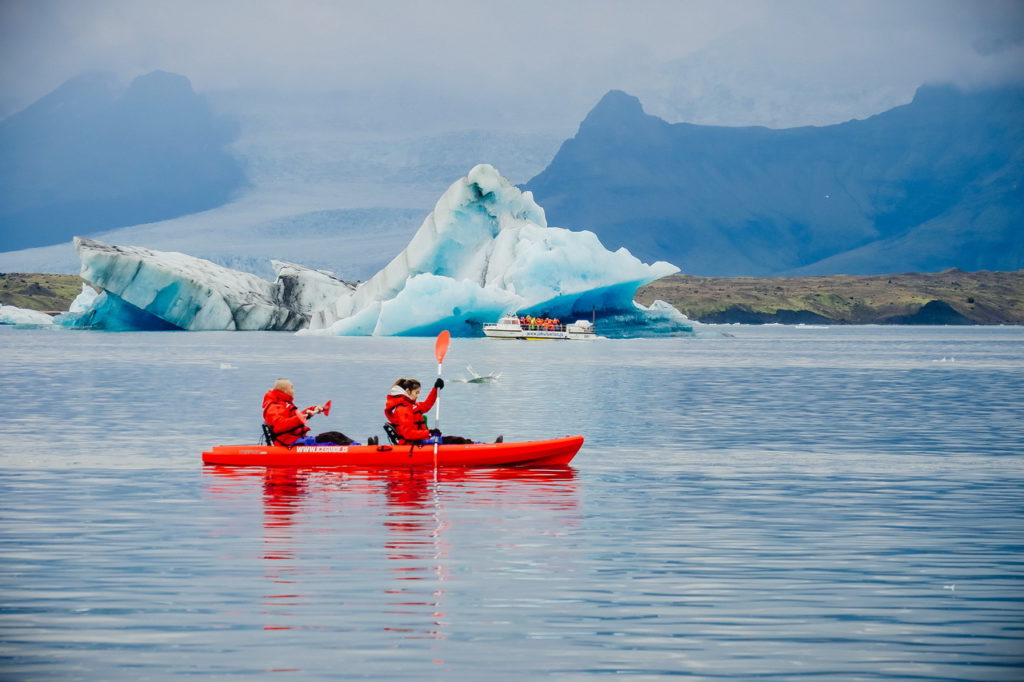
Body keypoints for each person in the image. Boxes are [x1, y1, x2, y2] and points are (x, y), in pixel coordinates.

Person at [262, 378, 355, 447]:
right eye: (292, 388)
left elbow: (296, 417)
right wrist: (300, 418)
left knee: (335, 434)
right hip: (290, 442)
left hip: (298, 439)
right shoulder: (274, 407)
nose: (294, 391)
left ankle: (359, 447)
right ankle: (358, 451)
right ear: (285, 390)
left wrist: (313, 409)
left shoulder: (283, 403)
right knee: (330, 439)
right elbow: (280, 425)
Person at [384, 377, 476, 445]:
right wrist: (430, 432)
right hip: (412, 444)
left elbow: (427, 405)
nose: (417, 396)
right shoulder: (403, 409)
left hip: (419, 441)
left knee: (456, 440)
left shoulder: (412, 406)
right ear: (408, 391)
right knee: (455, 441)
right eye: (416, 393)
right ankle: (475, 447)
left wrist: (436, 389)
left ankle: (477, 444)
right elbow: (408, 434)